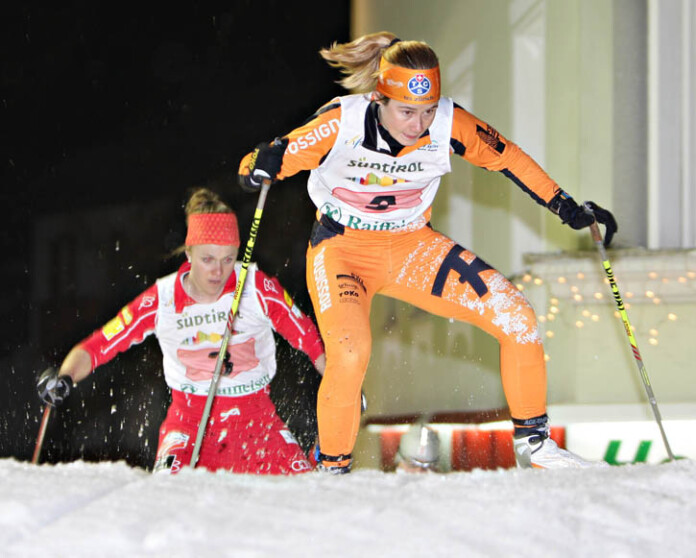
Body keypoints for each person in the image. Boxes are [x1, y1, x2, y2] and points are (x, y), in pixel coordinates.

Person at [238, 32, 617, 473]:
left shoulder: (449, 123)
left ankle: (536, 446)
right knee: (350, 352)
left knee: (517, 318)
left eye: (428, 111)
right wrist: (258, 166)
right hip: (344, 251)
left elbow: (508, 158)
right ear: (379, 98)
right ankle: (333, 468)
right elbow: (263, 162)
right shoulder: (341, 123)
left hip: (412, 248)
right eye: (406, 111)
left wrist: (566, 206)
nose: (418, 125)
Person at [36, 188, 325, 475]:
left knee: (306, 494)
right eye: (207, 259)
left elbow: (310, 340)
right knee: (170, 494)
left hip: (257, 424)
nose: (218, 272)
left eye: (227, 259)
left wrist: (340, 380)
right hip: (189, 429)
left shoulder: (255, 286)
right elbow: (99, 345)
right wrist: (65, 376)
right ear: (189, 253)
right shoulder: (162, 299)